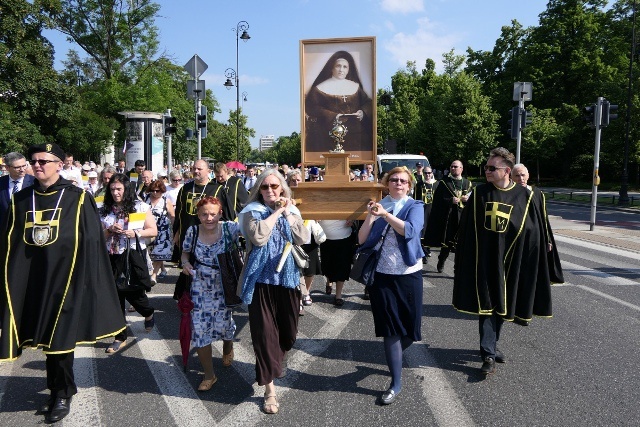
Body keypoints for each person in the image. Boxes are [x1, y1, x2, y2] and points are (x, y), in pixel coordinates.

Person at [0, 143, 125, 423]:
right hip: (35, 279)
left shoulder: (77, 198)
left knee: (60, 339)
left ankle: (62, 392)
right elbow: (10, 243)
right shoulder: (21, 200)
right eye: (34, 161)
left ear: (59, 164)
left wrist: (86, 280)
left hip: (68, 278)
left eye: (44, 160)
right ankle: (56, 387)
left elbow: (92, 241)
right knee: (43, 338)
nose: (37, 165)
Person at [453, 148, 564, 375]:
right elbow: (467, 229)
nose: (487, 171)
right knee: (487, 304)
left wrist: (540, 248)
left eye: (492, 168)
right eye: (486, 167)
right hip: (484, 261)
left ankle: (491, 346)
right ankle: (488, 353)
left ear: (506, 171)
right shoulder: (480, 194)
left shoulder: (525, 196)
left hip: (512, 261)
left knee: (503, 304)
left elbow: (535, 229)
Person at [238, 169, 309, 414]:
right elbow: (258, 237)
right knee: (264, 335)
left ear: (282, 189)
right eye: (265, 187)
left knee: (288, 334)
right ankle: (270, 390)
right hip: (260, 281)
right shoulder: (251, 213)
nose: (270, 191)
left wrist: (288, 213)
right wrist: (277, 211)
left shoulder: (293, 211)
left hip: (288, 279)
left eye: (274, 186)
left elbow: (303, 238)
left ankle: (274, 359)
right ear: (259, 190)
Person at [357, 166, 425, 405]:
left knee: (411, 330)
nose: (398, 183)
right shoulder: (379, 205)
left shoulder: (414, 206)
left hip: (409, 274)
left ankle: (394, 355)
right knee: (390, 330)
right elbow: (361, 239)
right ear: (387, 183)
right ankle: (395, 383)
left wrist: (385, 215)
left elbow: (410, 230)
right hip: (382, 276)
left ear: (409, 185)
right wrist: (371, 216)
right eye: (394, 180)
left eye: (403, 181)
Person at [180, 196, 238, 391]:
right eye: (204, 214)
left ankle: (227, 347)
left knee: (225, 325)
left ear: (220, 213)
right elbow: (185, 253)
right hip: (200, 286)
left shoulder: (230, 228)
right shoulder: (193, 231)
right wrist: (186, 263)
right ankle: (209, 375)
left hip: (225, 286)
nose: (209, 218)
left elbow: (253, 229)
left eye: (213, 214)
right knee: (199, 330)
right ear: (198, 215)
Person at [100, 173, 158, 353]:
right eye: (112, 189)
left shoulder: (139, 206)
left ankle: (148, 313)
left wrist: (136, 233)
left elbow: (153, 230)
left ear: (126, 189)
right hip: (110, 256)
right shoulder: (103, 208)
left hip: (132, 256)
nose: (116, 193)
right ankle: (120, 336)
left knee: (135, 295)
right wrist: (109, 230)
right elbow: (98, 236)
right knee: (114, 297)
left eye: (119, 189)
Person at [305, 50, 373, 153]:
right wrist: (333, 116)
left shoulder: (355, 87)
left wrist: (362, 112)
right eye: (338, 66)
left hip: (356, 137)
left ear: (349, 70)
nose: (341, 70)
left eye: (345, 67)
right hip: (329, 136)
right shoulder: (319, 89)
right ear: (332, 68)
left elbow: (368, 103)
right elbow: (312, 107)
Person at [424, 159, 472, 273]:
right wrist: (450, 200)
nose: (453, 168)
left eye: (456, 166)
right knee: (448, 243)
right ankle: (442, 259)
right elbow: (438, 200)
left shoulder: (467, 183)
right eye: (452, 166)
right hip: (450, 217)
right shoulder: (444, 183)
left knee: (460, 244)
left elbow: (472, 200)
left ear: (461, 169)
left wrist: (467, 199)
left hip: (462, 216)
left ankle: (457, 268)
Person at [287, 169, 323, 314]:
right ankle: (298, 298)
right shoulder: (285, 196)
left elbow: (319, 209)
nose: (296, 182)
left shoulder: (310, 192)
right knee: (296, 270)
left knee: (310, 270)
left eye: (298, 180)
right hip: (294, 239)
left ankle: (306, 291)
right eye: (293, 180)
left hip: (309, 236)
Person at [173, 160, 220, 263]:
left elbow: (224, 214)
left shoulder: (217, 189)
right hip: (187, 235)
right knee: (187, 267)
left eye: (199, 169)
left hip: (209, 236)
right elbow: (179, 214)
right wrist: (176, 233)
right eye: (194, 168)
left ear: (208, 171)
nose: (196, 171)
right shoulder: (185, 189)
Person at [319, 219, 355, 306]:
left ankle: (338, 296)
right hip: (325, 238)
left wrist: (353, 220)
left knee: (342, 267)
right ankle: (329, 281)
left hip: (344, 238)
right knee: (328, 265)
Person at [147, 179, 175, 283]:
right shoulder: (145, 199)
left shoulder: (165, 201)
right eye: (153, 190)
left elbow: (172, 216)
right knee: (152, 253)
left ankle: (153, 276)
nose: (155, 193)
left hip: (163, 230)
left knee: (160, 252)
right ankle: (162, 269)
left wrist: (174, 231)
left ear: (162, 190)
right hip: (148, 229)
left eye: (157, 191)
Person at [0, 152, 35, 224]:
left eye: (24, 166)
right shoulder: (1, 183)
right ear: (7, 168)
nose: (22, 169)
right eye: (17, 167)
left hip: (26, 227)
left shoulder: (35, 183)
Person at [413, 163, 438, 262]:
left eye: (429, 173)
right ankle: (423, 253)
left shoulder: (437, 184)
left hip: (433, 211)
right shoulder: (419, 184)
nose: (427, 175)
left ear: (432, 173)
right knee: (422, 231)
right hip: (422, 210)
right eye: (425, 173)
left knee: (430, 231)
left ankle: (427, 249)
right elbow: (415, 198)